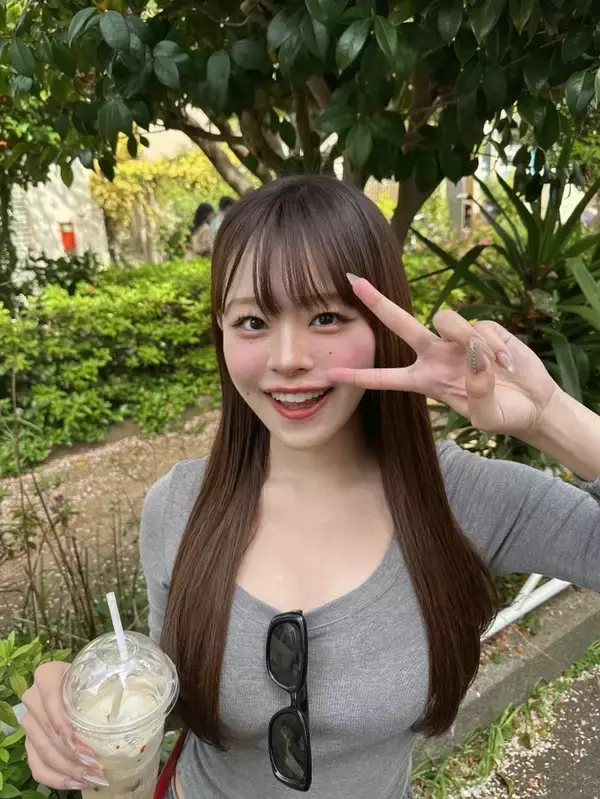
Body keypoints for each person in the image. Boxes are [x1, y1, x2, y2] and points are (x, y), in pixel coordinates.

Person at [20, 176, 600, 799]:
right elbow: (168, 699)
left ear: (381, 326)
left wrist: (551, 418)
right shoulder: (178, 507)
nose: (288, 357)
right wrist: (77, 700)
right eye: (252, 321)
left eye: (326, 316)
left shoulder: (462, 498)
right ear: (222, 334)